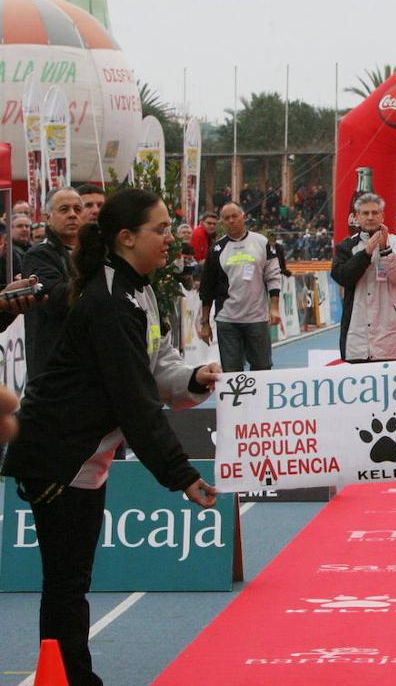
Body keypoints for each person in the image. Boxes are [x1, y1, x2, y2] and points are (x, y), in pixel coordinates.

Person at [1, 188, 222, 686]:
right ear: (126, 238)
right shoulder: (107, 300)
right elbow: (135, 401)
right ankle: (70, 678)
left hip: (83, 455)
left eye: (170, 227)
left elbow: (157, 368)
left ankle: (71, 676)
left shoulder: (140, 290)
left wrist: (193, 379)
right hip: (56, 454)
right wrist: (182, 474)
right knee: (66, 583)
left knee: (71, 580)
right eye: (160, 230)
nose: (172, 238)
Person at [331, 193, 396, 362]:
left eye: (375, 213)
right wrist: (365, 254)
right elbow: (342, 277)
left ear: (382, 216)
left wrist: (385, 251)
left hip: (392, 341)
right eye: (365, 213)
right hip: (358, 341)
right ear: (356, 217)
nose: (370, 217)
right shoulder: (346, 246)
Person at [197, 202, 282, 372]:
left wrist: (274, 308)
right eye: (226, 218)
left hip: (257, 319)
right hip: (228, 320)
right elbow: (207, 289)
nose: (231, 221)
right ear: (222, 222)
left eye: (234, 216)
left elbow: (273, 276)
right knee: (232, 371)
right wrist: (205, 323)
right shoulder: (217, 249)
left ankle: (259, 399)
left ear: (243, 217)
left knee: (263, 368)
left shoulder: (261, 242)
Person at [21, 187, 83, 381]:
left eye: (77, 209)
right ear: (48, 217)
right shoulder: (39, 255)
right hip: (53, 370)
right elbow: (55, 300)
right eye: (64, 209)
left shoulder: (92, 252)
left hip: (86, 366)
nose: (72, 215)